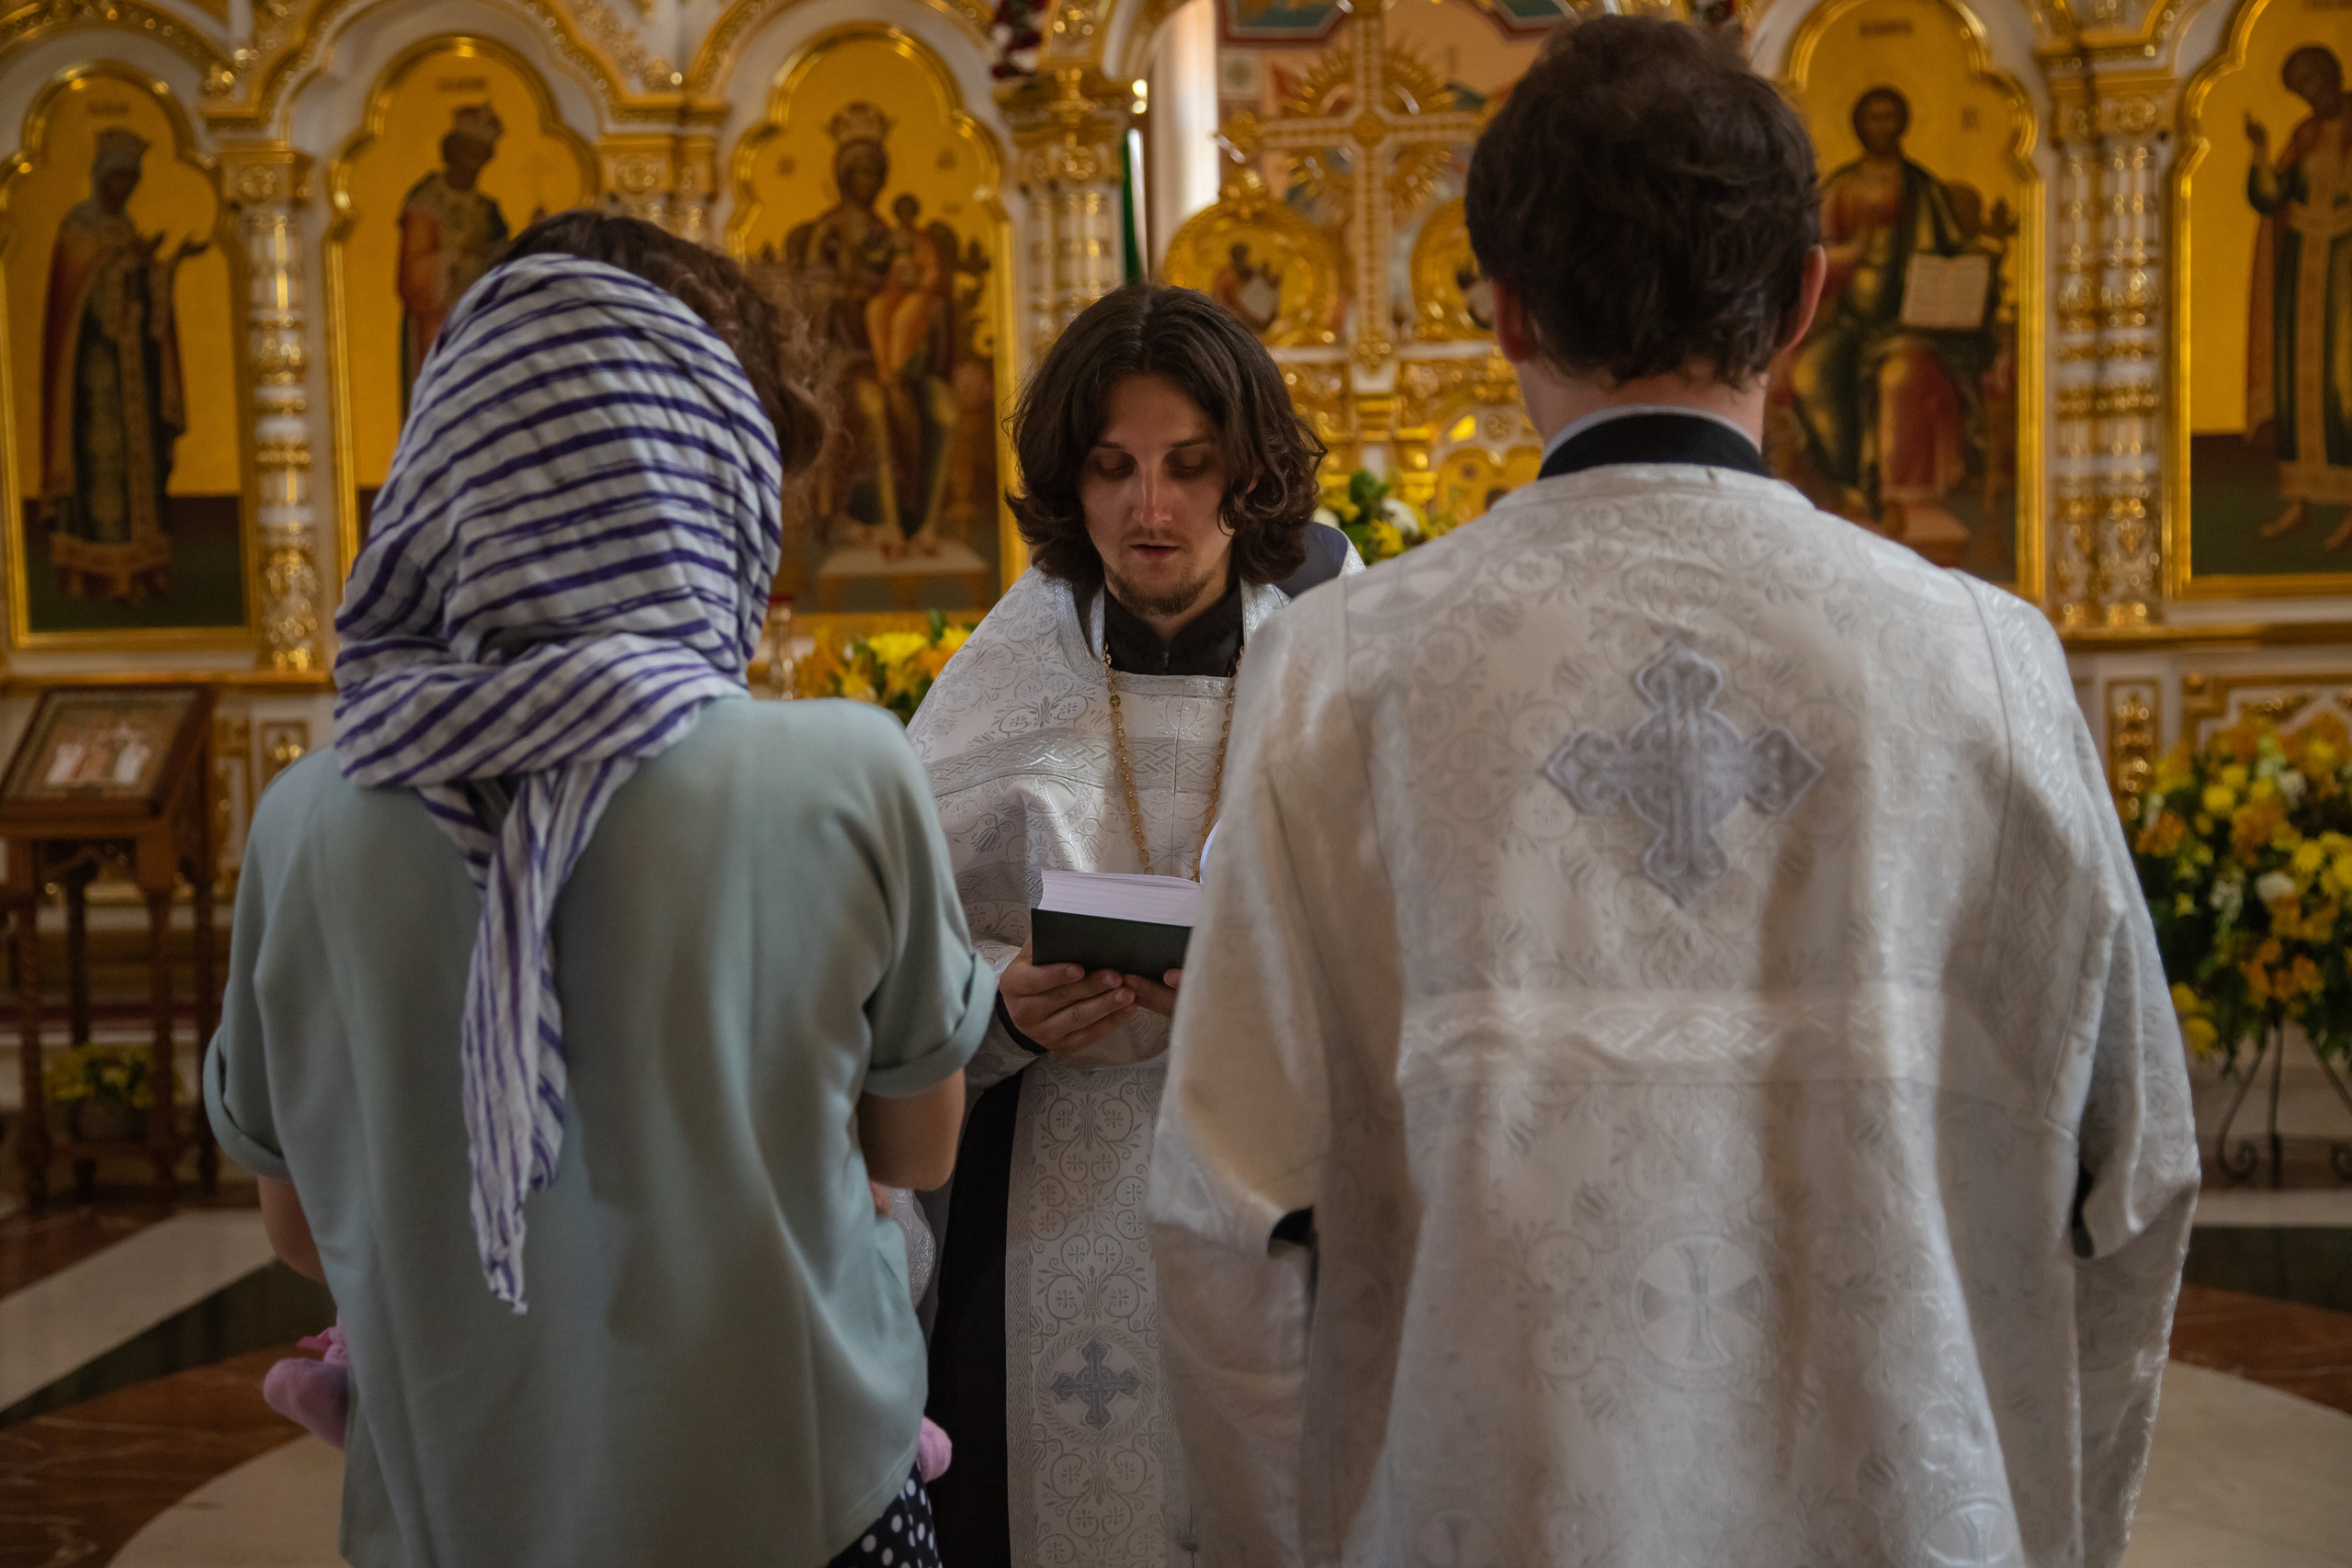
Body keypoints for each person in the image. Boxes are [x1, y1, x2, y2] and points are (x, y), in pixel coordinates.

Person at [1148, 18, 2198, 1567]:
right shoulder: (1988, 666)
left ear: (1502, 309)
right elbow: (2139, 1189)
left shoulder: (1342, 675)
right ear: (1809, 301)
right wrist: (2060, 1523)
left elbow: (1223, 1226)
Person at [206, 211, 991, 1568]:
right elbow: (914, 1152)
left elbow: (301, 1228)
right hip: (800, 1513)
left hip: (453, 1520)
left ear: (454, 460)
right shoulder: (844, 770)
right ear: (718, 469)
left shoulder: (308, 820)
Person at [905, 283, 1356, 1568]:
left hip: (1274, 1195)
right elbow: (890, 961)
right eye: (1112, 468)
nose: (1148, 508)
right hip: (1041, 1200)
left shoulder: (1332, 669)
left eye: (1187, 465)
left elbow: (1407, 944)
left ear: (1250, 472)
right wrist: (998, 1002)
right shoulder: (998, 682)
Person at [1784, 85, 2014, 551]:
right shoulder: (1842, 187)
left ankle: (1907, 504)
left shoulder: (1921, 187)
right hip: (1849, 320)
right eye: (1874, 118)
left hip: (1915, 325)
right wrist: (1853, 254)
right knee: (1811, 375)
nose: (1883, 126)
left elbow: (1951, 249)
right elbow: (1814, 256)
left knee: (1900, 377)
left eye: (1891, 117)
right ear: (1859, 125)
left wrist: (1988, 253)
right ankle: (1850, 490)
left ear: (1904, 123)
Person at [39, 127, 203, 603]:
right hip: (92, 379)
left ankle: (143, 567)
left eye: (131, 180)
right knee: (98, 467)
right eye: (119, 179)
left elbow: (141, 288)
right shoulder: (78, 229)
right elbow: (79, 303)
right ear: (100, 178)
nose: (125, 188)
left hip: (134, 370)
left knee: (141, 466)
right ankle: (89, 572)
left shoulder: (125, 229)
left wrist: (166, 267)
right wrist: (128, 269)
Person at [2245, 45, 2352, 546]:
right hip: (2302, 271)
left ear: (2335, 74)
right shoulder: (2305, 136)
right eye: (2301, 87)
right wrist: (2262, 153)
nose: (2313, 92)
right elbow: (2271, 196)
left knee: (2342, 382)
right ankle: (2302, 501)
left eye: (2316, 80)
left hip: (2346, 271)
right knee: (2299, 385)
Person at [396, 104, 508, 417]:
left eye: (479, 156)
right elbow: (414, 276)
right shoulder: (427, 201)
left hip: (482, 318)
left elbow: (504, 261)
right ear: (452, 153)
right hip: (438, 321)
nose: (471, 164)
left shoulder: (488, 209)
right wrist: (459, 256)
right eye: (467, 153)